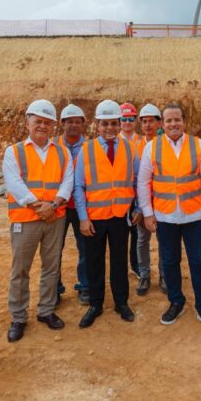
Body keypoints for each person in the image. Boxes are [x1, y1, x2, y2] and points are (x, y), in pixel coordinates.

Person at [137, 103, 201, 331]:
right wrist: (147, 213)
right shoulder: (152, 148)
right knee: (170, 262)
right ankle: (176, 301)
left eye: (177, 119)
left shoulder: (198, 145)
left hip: (194, 216)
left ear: (184, 122)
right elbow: (143, 183)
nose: (173, 124)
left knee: (198, 262)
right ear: (162, 124)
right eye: (168, 121)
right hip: (165, 217)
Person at [3, 100, 74, 343]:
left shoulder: (62, 152)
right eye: (38, 122)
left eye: (47, 122)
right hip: (26, 218)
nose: (42, 126)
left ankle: (46, 310)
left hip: (55, 217)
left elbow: (68, 182)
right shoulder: (14, 151)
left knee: (51, 267)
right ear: (28, 123)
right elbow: (14, 183)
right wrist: (40, 206)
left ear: (54, 125)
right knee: (20, 270)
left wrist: (53, 205)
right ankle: (19, 316)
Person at [74, 100, 141, 328]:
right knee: (94, 262)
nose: (110, 128)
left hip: (120, 217)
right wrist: (83, 217)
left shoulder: (130, 149)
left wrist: (139, 208)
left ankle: (121, 303)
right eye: (105, 124)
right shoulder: (87, 149)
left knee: (119, 262)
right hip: (94, 218)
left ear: (120, 123)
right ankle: (95, 304)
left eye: (114, 123)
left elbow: (137, 181)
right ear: (97, 125)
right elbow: (79, 186)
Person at [57, 104, 89, 305]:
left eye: (77, 122)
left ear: (83, 124)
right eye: (69, 122)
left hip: (81, 207)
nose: (73, 125)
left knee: (85, 248)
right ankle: (54, 288)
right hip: (58, 206)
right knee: (53, 250)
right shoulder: (52, 146)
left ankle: (85, 286)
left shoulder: (90, 148)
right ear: (62, 124)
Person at [134, 103, 166, 296]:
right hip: (143, 204)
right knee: (142, 240)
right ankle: (144, 275)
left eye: (151, 121)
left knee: (164, 241)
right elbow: (135, 179)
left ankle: (164, 275)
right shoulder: (135, 146)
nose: (147, 125)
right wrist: (139, 207)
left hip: (163, 203)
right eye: (144, 121)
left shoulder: (166, 144)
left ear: (159, 122)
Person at [120, 102, 141, 279]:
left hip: (136, 194)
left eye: (130, 119)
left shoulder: (141, 142)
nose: (127, 122)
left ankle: (136, 265)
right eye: (124, 119)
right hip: (119, 194)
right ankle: (119, 268)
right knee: (119, 235)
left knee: (137, 233)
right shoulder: (114, 142)